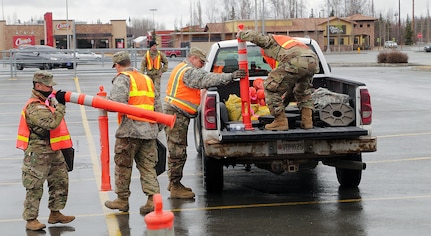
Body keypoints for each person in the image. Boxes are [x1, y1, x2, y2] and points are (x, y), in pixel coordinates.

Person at [164, 47, 246, 199]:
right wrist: (231, 76)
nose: (202, 65)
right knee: (177, 152)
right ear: (193, 58)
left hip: (176, 114)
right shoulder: (188, 72)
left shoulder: (182, 68)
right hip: (176, 115)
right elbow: (207, 79)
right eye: (201, 62)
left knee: (177, 150)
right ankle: (175, 186)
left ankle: (174, 182)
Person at [104, 51, 161, 215]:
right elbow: (158, 106)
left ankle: (122, 200)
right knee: (148, 166)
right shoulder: (147, 79)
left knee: (123, 166)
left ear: (117, 65)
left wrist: (102, 102)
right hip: (149, 131)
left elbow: (115, 103)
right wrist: (157, 129)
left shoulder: (123, 78)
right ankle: (153, 200)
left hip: (129, 131)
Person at [16, 71, 75, 231]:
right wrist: (61, 105)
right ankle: (31, 219)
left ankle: (55, 213)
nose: (50, 88)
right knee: (35, 186)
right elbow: (51, 124)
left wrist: (58, 103)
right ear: (38, 86)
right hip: (37, 153)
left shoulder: (47, 102)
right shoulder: (34, 107)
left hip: (54, 150)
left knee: (60, 181)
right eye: (48, 85)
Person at [237, 30, 319, 131]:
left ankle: (280, 122)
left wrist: (241, 34)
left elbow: (257, 36)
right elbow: (291, 91)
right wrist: (283, 104)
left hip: (295, 60)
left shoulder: (271, 41)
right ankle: (307, 122)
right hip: (312, 61)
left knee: (269, 87)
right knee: (302, 92)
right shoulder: (288, 42)